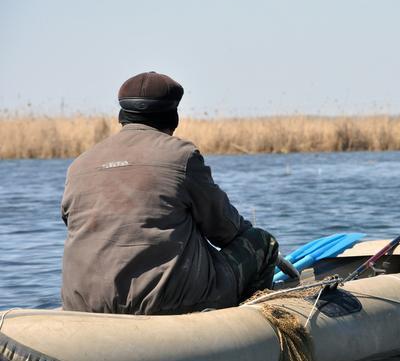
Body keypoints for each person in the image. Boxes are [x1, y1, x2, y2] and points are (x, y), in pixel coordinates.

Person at [60, 71, 279, 315]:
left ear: (121, 116)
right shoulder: (181, 156)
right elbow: (226, 230)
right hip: (167, 304)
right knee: (262, 241)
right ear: (173, 118)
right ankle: (253, 326)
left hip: (83, 306)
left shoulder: (79, 165)